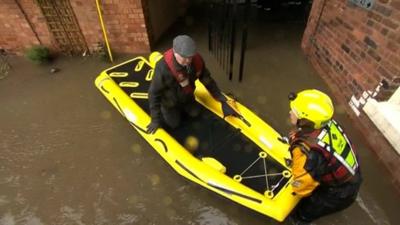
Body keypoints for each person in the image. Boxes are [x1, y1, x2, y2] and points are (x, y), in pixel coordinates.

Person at [285, 89, 362, 224]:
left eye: (295, 112)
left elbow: (301, 187)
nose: (290, 112)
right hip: (352, 179)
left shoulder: (308, 152)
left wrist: (294, 183)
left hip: (337, 194)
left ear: (305, 120)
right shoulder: (327, 124)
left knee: (301, 215)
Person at [146, 35, 238, 134]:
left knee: (196, 114)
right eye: (185, 57)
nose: (188, 61)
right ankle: (166, 112)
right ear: (175, 52)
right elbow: (153, 94)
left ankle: (185, 107)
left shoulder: (196, 60)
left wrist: (221, 98)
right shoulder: (162, 68)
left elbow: (207, 79)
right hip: (170, 103)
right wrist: (155, 120)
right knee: (175, 124)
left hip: (187, 98)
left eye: (190, 57)